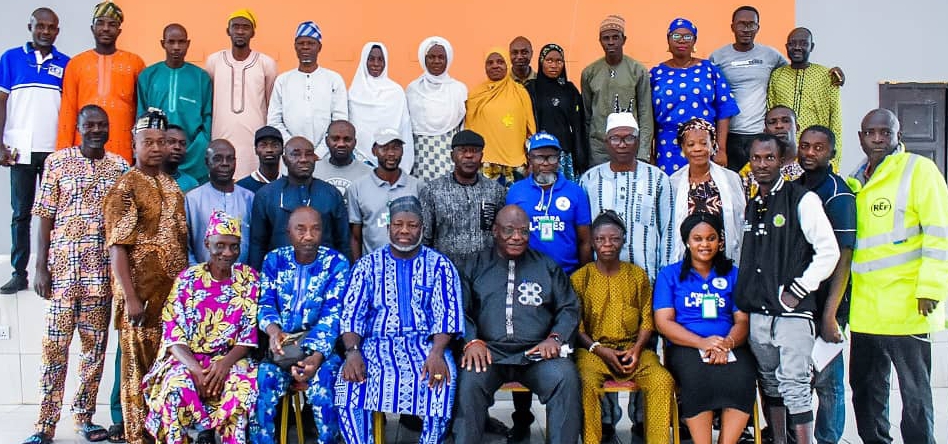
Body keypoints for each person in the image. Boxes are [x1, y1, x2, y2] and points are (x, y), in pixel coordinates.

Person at [22, 105, 127, 444]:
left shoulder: (119, 167)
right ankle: (44, 424)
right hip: (62, 277)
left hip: (101, 278)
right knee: (54, 351)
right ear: (79, 127)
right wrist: (39, 266)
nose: (96, 130)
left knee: (93, 353)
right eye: (90, 125)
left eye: (102, 125)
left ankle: (84, 418)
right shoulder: (56, 162)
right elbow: (42, 214)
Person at [847, 109, 948, 444]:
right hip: (866, 311)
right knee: (865, 391)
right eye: (870, 133)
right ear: (860, 137)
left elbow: (939, 234)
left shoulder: (919, 171)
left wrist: (931, 287)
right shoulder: (856, 179)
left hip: (908, 307)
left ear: (897, 134)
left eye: (885, 133)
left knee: (914, 394)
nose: (878, 139)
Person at [735, 133, 839, 444]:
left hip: (792, 312)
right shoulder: (754, 204)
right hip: (758, 313)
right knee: (769, 384)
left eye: (769, 158)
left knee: (795, 384)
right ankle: (780, 440)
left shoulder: (802, 198)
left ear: (782, 160)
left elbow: (829, 251)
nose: (762, 164)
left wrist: (799, 288)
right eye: (756, 158)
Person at [336, 196, 464, 444]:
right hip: (376, 345)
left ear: (422, 229)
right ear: (388, 228)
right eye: (398, 224)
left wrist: (437, 354)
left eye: (412, 225)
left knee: (442, 382)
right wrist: (352, 352)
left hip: (426, 346)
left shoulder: (440, 265)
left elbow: (447, 315)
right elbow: (352, 315)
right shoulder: (367, 266)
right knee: (348, 384)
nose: (404, 230)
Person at [452, 204, 580, 444]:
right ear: (495, 231)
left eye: (523, 231)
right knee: (469, 382)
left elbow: (569, 307)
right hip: (489, 353)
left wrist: (555, 338)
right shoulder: (474, 265)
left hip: (535, 355)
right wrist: (471, 341)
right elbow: (460, 308)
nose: (516, 237)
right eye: (509, 230)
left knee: (565, 377)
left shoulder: (546, 266)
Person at [104, 109, 189, 444]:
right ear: (134, 144)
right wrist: (131, 298)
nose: (156, 148)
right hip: (140, 299)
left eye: (161, 142)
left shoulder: (171, 185)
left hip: (170, 300)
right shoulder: (125, 186)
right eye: (148, 142)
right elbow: (117, 247)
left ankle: (164, 431)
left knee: (165, 370)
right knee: (136, 371)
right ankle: (137, 435)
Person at [141, 211, 259, 444]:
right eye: (220, 245)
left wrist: (223, 365)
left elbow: (248, 333)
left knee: (241, 387)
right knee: (175, 387)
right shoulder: (188, 279)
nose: (227, 253)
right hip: (188, 360)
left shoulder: (249, 279)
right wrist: (196, 370)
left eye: (234, 247)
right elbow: (173, 334)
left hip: (230, 359)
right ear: (207, 243)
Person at [572, 211, 675, 444]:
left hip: (633, 349)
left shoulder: (637, 276)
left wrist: (637, 349)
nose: (607, 245)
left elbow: (648, 319)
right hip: (594, 352)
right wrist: (600, 350)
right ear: (593, 242)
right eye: (600, 239)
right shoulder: (580, 279)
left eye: (614, 239)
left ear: (624, 240)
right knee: (585, 382)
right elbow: (576, 328)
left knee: (662, 380)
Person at [653, 212, 757, 444]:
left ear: (720, 241)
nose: (704, 244)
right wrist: (702, 343)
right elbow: (663, 322)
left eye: (711, 238)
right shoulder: (669, 275)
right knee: (696, 378)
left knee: (743, 376)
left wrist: (726, 344)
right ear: (687, 242)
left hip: (729, 343)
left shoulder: (733, 274)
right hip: (686, 345)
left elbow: (742, 320)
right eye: (697, 239)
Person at [252, 207, 350, 444]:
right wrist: (274, 333)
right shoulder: (274, 260)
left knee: (325, 383)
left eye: (315, 229)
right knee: (262, 380)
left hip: (322, 353)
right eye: (301, 229)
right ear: (288, 232)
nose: (308, 236)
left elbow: (332, 316)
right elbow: (265, 303)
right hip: (282, 348)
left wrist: (314, 358)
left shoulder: (336, 263)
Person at [710, 6, 843, 173]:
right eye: (741, 24)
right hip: (730, 136)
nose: (746, 29)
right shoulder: (718, 56)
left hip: (760, 134)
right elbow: (712, 94)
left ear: (758, 27)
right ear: (732, 27)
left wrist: (834, 72)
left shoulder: (770, 55)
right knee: (733, 183)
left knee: (762, 178)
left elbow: (795, 70)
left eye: (751, 24)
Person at [0, 7, 69, 294]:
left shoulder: (66, 64)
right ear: (30, 26)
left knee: (54, 215)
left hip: (54, 150)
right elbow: (1, 102)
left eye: (50, 27)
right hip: (20, 147)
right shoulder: (11, 58)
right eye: (40, 26)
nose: (45, 31)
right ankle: (19, 272)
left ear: (57, 31)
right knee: (21, 212)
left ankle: (52, 270)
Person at [797, 125, 855, 444]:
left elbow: (844, 257)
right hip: (802, 302)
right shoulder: (795, 187)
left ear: (831, 152)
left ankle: (828, 438)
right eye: (805, 146)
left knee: (829, 383)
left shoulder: (838, 192)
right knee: (801, 379)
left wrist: (830, 314)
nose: (810, 153)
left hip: (829, 303)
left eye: (818, 148)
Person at [580, 112, 673, 281]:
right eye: (615, 139)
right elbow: (583, 235)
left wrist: (665, 278)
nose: (622, 144)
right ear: (606, 143)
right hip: (601, 281)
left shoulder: (658, 179)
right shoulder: (589, 180)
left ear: (638, 142)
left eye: (629, 138)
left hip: (648, 279)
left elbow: (668, 230)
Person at [57, 1, 143, 164]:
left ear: (119, 31)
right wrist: (63, 153)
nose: (105, 28)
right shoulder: (76, 63)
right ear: (92, 28)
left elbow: (140, 110)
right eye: (100, 23)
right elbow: (68, 111)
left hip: (122, 149)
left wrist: (138, 150)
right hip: (82, 149)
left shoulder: (135, 63)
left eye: (112, 24)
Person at [651, 18, 739, 174]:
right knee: (672, 192)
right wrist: (650, 154)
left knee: (704, 192)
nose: (682, 41)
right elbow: (648, 116)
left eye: (687, 37)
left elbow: (724, 109)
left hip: (704, 144)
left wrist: (721, 149)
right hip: (668, 146)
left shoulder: (709, 69)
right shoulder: (656, 73)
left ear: (695, 41)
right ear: (668, 40)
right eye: (676, 36)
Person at [249, 136, 350, 269]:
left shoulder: (331, 193)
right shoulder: (266, 194)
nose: (303, 159)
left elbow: (343, 242)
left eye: (309, 154)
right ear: (284, 160)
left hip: (325, 275)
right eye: (296, 154)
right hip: (279, 274)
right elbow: (258, 244)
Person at [506, 132, 592, 274]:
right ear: (529, 159)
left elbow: (585, 241)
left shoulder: (575, 191)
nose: (545, 163)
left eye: (551, 157)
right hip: (528, 273)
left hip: (567, 274)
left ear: (558, 159)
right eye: (539, 157)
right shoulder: (516, 191)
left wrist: (583, 277)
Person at [206, 8, 277, 179]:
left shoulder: (265, 63)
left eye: (245, 27)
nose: (240, 31)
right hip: (220, 135)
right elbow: (208, 101)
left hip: (254, 140)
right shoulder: (214, 61)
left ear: (252, 32)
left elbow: (271, 104)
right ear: (227, 31)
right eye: (235, 26)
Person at [136, 23, 213, 182]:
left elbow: (207, 117)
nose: (176, 47)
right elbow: (141, 116)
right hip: (156, 154)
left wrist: (197, 147)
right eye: (171, 42)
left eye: (181, 42)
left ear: (188, 43)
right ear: (163, 43)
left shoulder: (200, 77)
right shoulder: (148, 76)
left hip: (193, 155)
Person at [419, 129, 506, 266]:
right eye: (463, 150)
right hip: (445, 269)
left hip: (486, 272)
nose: (469, 156)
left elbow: (502, 234)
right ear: (452, 155)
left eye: (475, 151)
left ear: (482, 156)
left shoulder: (495, 191)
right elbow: (424, 238)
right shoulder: (433, 191)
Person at [668, 118, 745, 262]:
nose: (698, 148)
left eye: (704, 143)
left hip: (724, 257)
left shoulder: (731, 179)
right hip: (688, 260)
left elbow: (740, 219)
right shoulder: (674, 183)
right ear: (683, 149)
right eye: (691, 144)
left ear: (713, 145)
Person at [581, 14, 653, 166]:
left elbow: (645, 114)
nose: (611, 42)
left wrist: (643, 153)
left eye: (615, 37)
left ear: (624, 40)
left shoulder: (638, 70)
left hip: (629, 146)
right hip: (598, 148)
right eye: (606, 38)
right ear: (600, 41)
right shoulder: (590, 72)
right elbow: (587, 116)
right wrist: (585, 152)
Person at [268, 21, 347, 160]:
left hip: (326, 156)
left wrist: (320, 152)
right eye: (301, 43)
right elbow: (274, 121)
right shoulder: (283, 80)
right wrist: (295, 149)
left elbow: (339, 121)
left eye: (311, 43)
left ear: (319, 47)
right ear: (295, 47)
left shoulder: (334, 79)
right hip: (291, 157)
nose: (305, 47)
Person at [768, 28, 842, 170]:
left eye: (803, 43)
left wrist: (834, 161)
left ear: (811, 46)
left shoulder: (826, 75)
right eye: (792, 44)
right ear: (786, 47)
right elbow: (770, 112)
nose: (797, 48)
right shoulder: (777, 75)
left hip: (816, 152)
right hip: (785, 155)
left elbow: (835, 120)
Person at [347, 128, 423, 258]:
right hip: (372, 266)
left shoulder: (417, 186)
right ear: (374, 151)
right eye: (385, 148)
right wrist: (358, 267)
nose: (391, 153)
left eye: (396, 148)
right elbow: (355, 237)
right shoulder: (358, 187)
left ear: (402, 151)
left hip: (409, 264)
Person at [466, 48, 536, 186]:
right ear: (485, 67)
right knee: (487, 206)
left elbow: (530, 128)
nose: (495, 65)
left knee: (515, 206)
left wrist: (532, 159)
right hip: (486, 163)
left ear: (507, 65)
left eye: (500, 62)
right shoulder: (476, 94)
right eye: (490, 63)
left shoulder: (520, 92)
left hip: (516, 164)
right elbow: (469, 129)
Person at [406, 36, 467, 182]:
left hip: (449, 153)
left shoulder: (458, 89)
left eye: (441, 57)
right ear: (423, 59)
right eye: (431, 57)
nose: (436, 61)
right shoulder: (412, 89)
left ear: (448, 59)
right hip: (420, 153)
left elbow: (463, 126)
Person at [524, 43, 588, 180]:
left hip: (565, 154)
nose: (554, 65)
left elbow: (579, 125)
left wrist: (580, 155)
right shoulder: (531, 89)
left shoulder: (570, 90)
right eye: (549, 60)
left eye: (559, 61)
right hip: (539, 152)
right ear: (541, 62)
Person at [185, 139, 254, 265]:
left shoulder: (249, 198)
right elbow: (186, 246)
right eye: (217, 159)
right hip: (202, 279)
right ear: (207, 162)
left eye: (230, 159)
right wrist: (198, 276)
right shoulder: (192, 200)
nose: (225, 163)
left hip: (242, 279)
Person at [349, 42, 414, 171]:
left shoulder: (396, 92)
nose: (376, 64)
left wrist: (405, 163)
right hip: (359, 158)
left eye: (380, 59)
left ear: (386, 62)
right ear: (364, 61)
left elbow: (404, 126)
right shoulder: (353, 92)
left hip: (390, 158)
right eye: (371, 59)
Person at [740, 106, 805, 199]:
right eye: (772, 122)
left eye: (786, 121)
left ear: (797, 128)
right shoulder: (750, 171)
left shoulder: (809, 164)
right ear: (765, 131)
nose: (779, 126)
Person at [314, 120, 372, 200]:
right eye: (335, 139)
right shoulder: (314, 170)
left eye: (347, 139)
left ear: (355, 142)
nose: (341, 144)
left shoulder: (369, 174)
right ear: (326, 141)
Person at [237, 125, 283, 193]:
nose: (269, 150)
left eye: (275, 145)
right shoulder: (241, 187)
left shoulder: (290, 185)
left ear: (282, 150)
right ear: (256, 150)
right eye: (263, 145)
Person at [163, 124, 199, 192]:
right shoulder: (144, 179)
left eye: (182, 143)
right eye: (171, 142)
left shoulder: (192, 184)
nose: (177, 147)